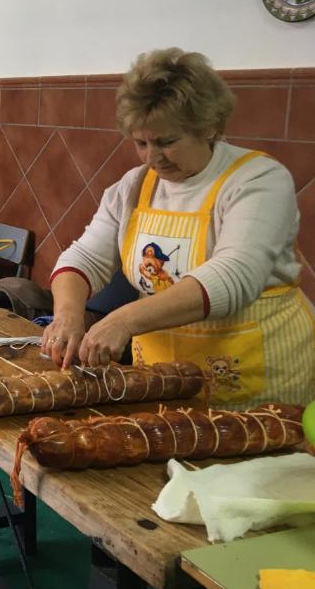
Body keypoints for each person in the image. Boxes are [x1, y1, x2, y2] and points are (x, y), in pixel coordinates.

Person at [43, 47, 314, 409]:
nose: (152, 157)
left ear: (209, 127)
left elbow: (235, 276)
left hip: (255, 380)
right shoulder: (135, 186)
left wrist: (124, 319)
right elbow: (84, 256)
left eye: (167, 142)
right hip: (160, 379)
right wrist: (67, 314)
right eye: (141, 143)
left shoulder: (258, 180)